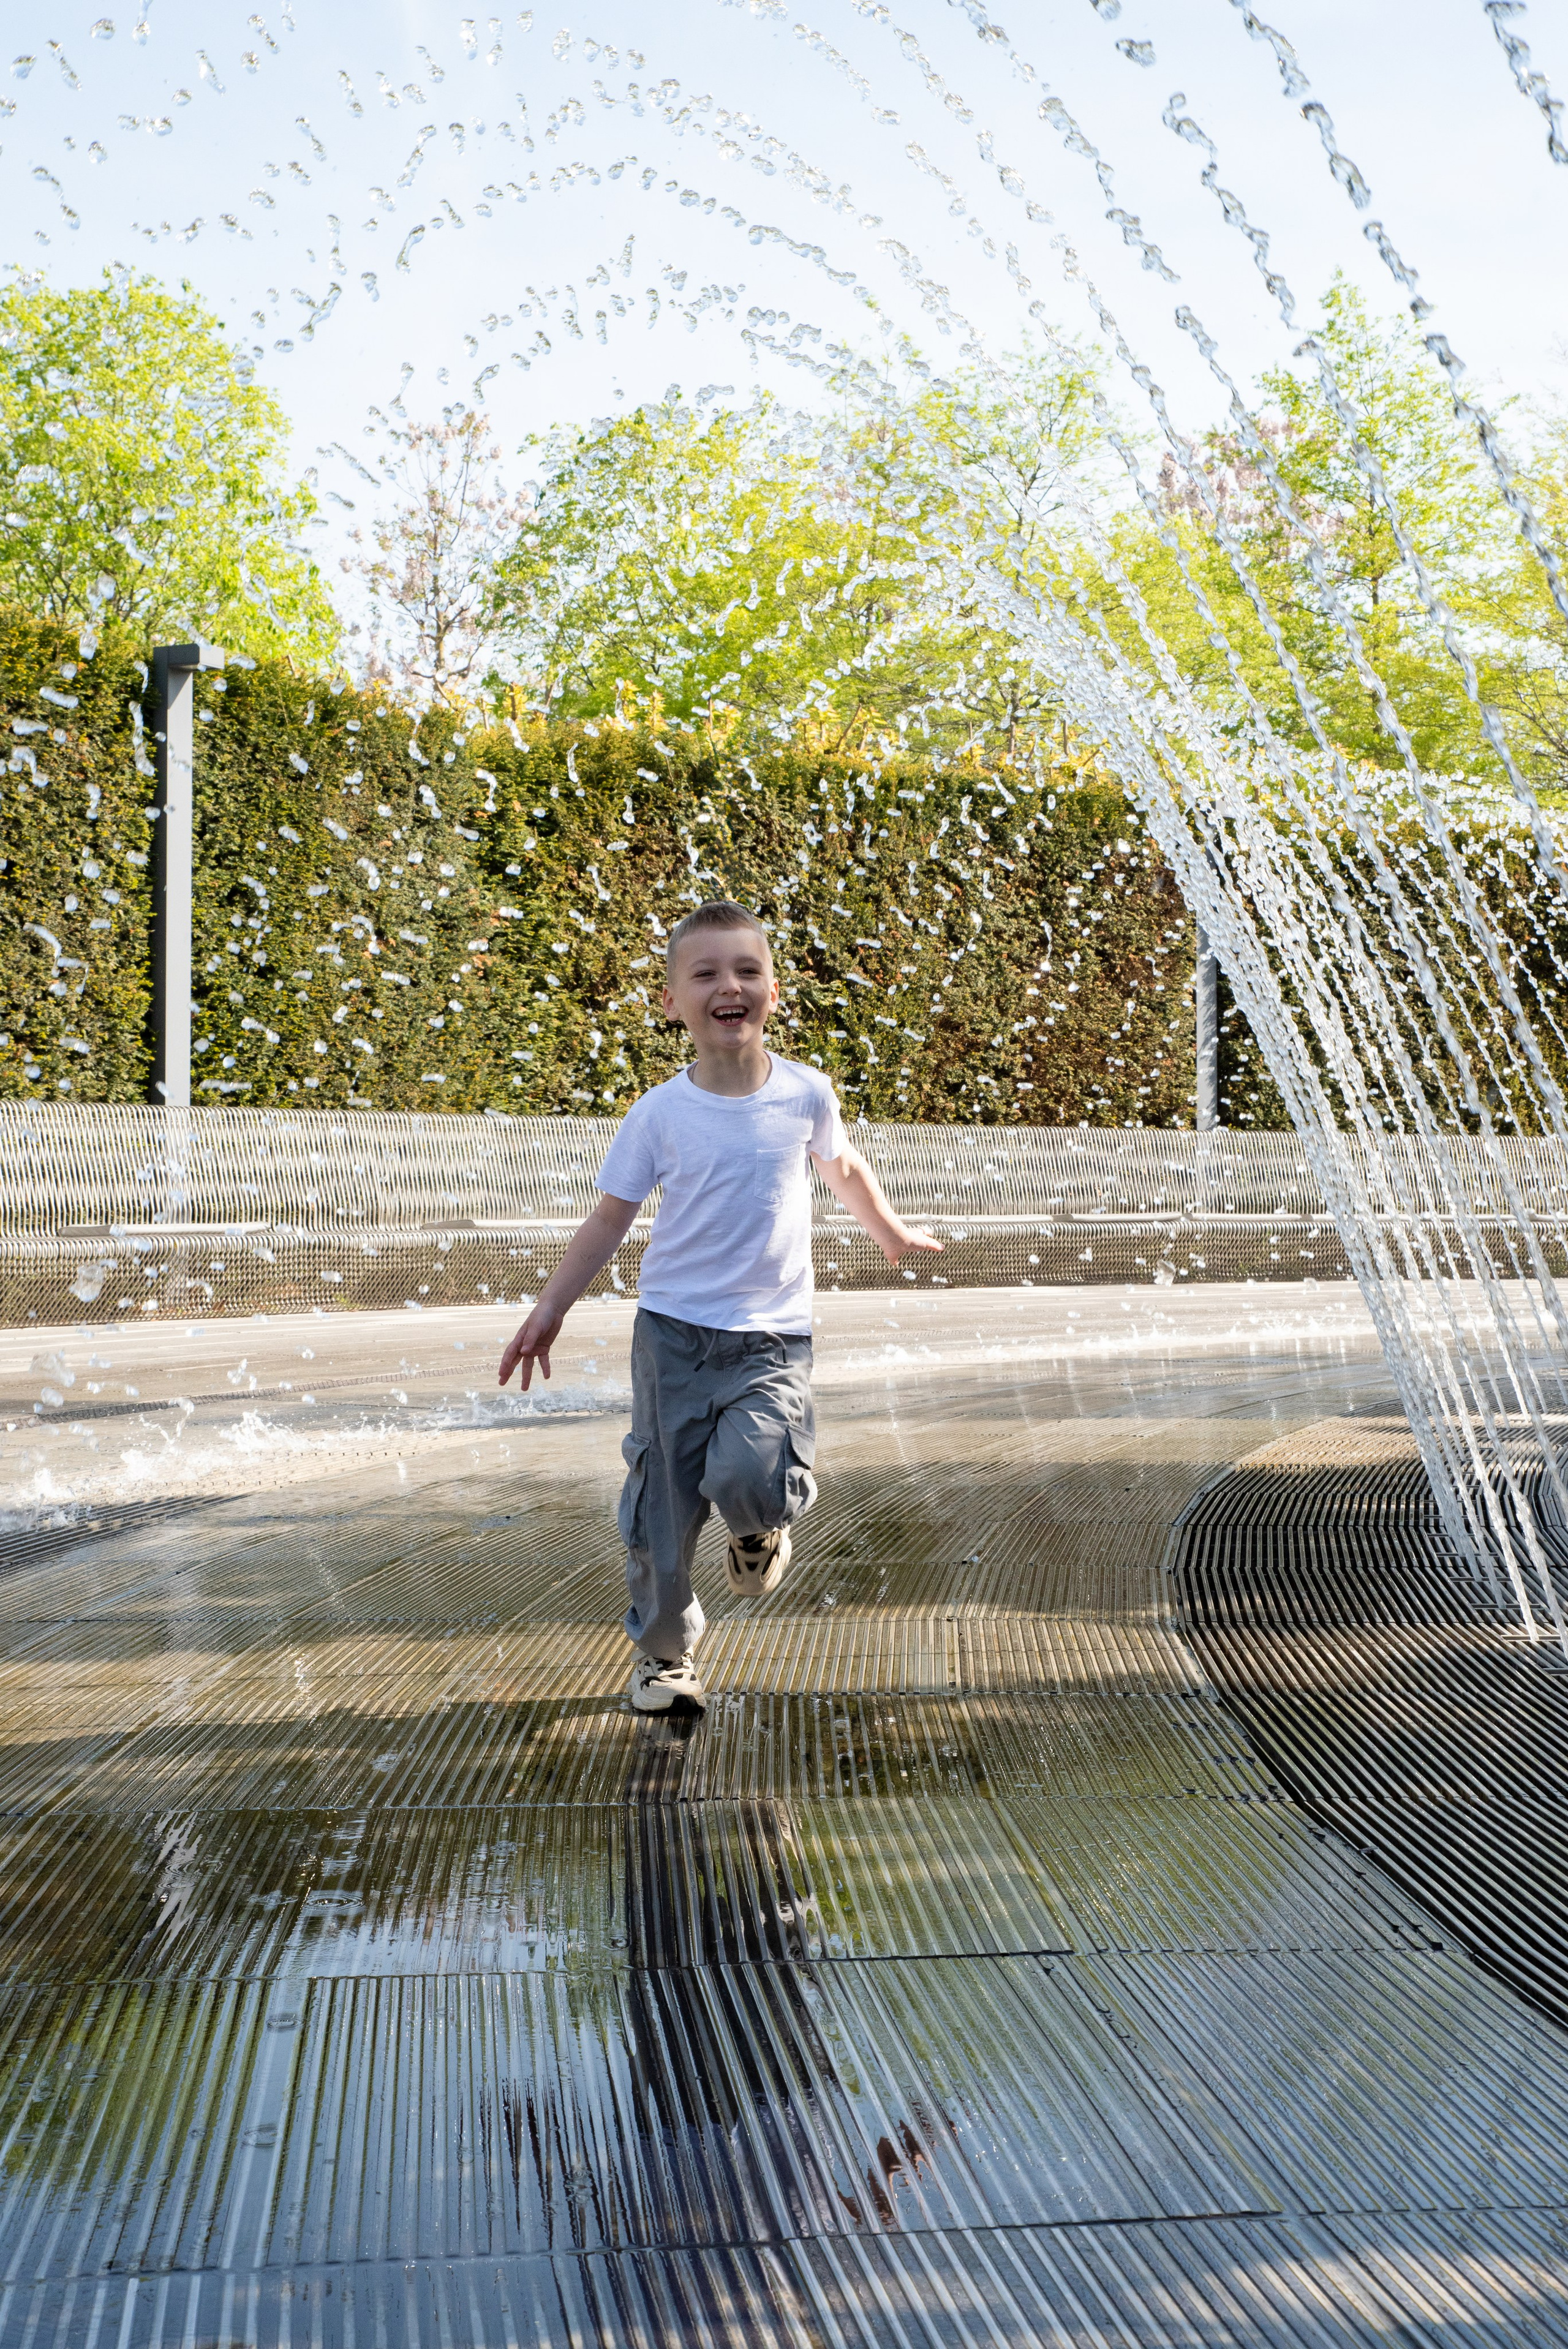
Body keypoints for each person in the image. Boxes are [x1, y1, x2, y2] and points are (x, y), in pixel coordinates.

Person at [498, 899, 942, 1715]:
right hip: (672, 1337)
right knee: (660, 1514)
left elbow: (843, 1168)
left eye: (747, 970)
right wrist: (551, 1308)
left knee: (751, 1475)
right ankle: (664, 1658)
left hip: (773, 1337)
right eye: (705, 974)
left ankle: (761, 1522)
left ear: (774, 991)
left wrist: (891, 1231)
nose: (728, 986)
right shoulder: (658, 1115)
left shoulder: (806, 1093)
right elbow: (610, 1218)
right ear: (672, 1002)